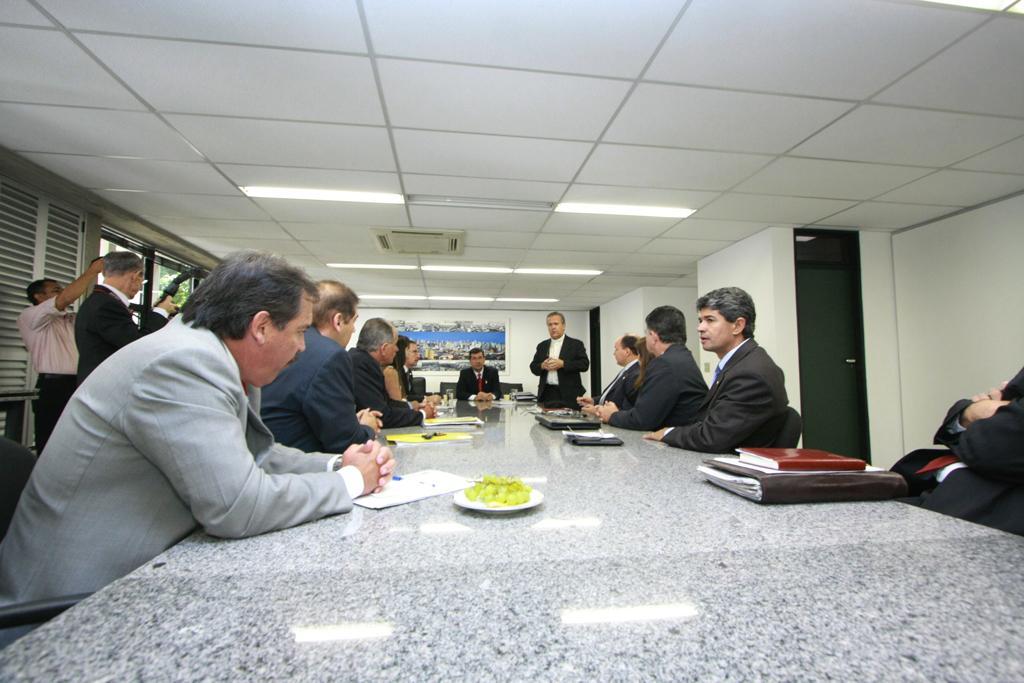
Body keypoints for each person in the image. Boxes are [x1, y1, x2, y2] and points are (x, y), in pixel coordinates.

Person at [0, 252, 395, 605]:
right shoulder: (182, 365)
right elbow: (238, 506)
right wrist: (351, 482)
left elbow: (257, 454)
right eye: (298, 332)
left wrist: (334, 465)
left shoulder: (212, 356)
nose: (303, 348)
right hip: (72, 607)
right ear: (260, 326)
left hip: (142, 577)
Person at [644, 288, 790, 452]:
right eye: (700, 320)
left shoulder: (750, 374)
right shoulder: (740, 364)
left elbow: (711, 437)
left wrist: (668, 433)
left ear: (737, 325)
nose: (700, 327)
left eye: (710, 320)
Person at [891, 366, 1023, 535]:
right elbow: (969, 411)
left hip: (979, 523)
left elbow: (1000, 444)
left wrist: (976, 412)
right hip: (930, 495)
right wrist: (970, 412)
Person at [261, 280, 382, 453]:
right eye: (353, 322)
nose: (354, 330)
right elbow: (347, 443)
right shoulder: (330, 355)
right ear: (338, 321)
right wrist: (367, 427)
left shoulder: (294, 345)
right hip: (301, 466)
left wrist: (348, 421)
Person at [17, 257, 104, 454]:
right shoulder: (30, 316)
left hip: (79, 383)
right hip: (54, 386)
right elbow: (65, 298)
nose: (62, 293)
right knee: (50, 440)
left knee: (77, 440)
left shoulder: (69, 319)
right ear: (39, 297)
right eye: (56, 290)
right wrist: (92, 271)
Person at [74, 251, 177, 384]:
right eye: (142, 279)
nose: (140, 286)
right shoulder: (107, 306)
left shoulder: (97, 301)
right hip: (106, 385)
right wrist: (161, 312)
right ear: (136, 276)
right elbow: (137, 345)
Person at [596, 306, 706, 431]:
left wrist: (612, 415)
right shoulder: (682, 356)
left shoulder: (664, 364)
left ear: (653, 336)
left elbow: (642, 419)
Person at [351, 318, 436, 428]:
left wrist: (413, 408)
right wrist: (422, 414)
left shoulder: (365, 362)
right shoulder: (361, 365)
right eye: (395, 344)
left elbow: (387, 403)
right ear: (384, 348)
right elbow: (382, 415)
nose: (397, 349)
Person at [529, 311, 589, 408]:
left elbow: (584, 364)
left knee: (570, 422)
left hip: (569, 394)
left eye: (556, 324)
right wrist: (542, 366)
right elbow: (533, 367)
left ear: (564, 326)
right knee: (545, 421)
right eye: (550, 325)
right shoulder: (542, 346)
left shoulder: (576, 344)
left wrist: (563, 364)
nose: (553, 327)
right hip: (547, 393)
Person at [579, 335, 640, 417]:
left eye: (616, 349)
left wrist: (598, 411)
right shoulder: (627, 370)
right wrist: (594, 401)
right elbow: (613, 395)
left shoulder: (635, 374)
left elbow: (627, 407)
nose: (614, 353)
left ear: (627, 352)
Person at [385, 337, 442, 407]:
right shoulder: (393, 372)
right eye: (414, 352)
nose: (418, 356)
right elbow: (402, 399)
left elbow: (411, 395)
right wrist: (426, 398)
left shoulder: (408, 372)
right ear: (403, 352)